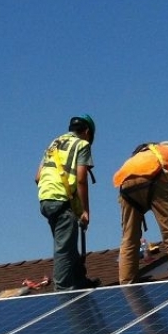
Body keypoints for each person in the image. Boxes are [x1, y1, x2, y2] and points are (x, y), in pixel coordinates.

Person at [113, 141, 168, 284]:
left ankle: (126, 286)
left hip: (125, 184)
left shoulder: (142, 154)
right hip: (154, 176)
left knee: (129, 239)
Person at [35, 114, 96, 290]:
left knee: (68, 244)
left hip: (46, 198)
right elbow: (82, 179)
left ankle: (80, 280)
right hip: (61, 200)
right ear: (86, 131)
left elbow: (37, 177)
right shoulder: (82, 144)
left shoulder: (54, 144)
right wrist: (85, 210)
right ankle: (62, 293)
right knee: (63, 250)